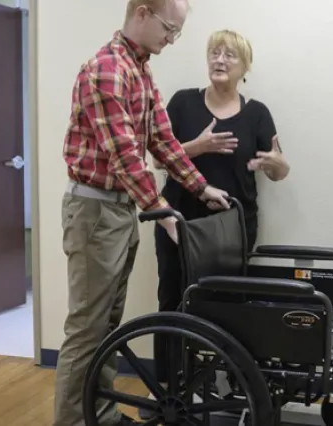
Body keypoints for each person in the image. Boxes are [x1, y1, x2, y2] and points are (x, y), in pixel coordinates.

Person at [53, 1, 231, 426]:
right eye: (170, 29)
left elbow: (162, 141)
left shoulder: (140, 68)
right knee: (87, 329)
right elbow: (125, 157)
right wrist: (161, 210)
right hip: (95, 210)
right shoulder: (107, 69)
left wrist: (200, 187)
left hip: (117, 210)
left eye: (177, 33)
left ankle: (103, 413)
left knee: (109, 324)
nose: (171, 39)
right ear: (143, 12)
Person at [141, 28, 290, 418]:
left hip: (232, 229)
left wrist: (276, 166)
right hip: (177, 222)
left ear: (244, 67)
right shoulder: (183, 103)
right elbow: (159, 159)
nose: (219, 60)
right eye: (214, 53)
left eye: (229, 55)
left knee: (226, 307)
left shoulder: (257, 112)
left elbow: (278, 166)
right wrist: (198, 147)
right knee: (171, 303)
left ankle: (223, 391)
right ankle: (168, 395)